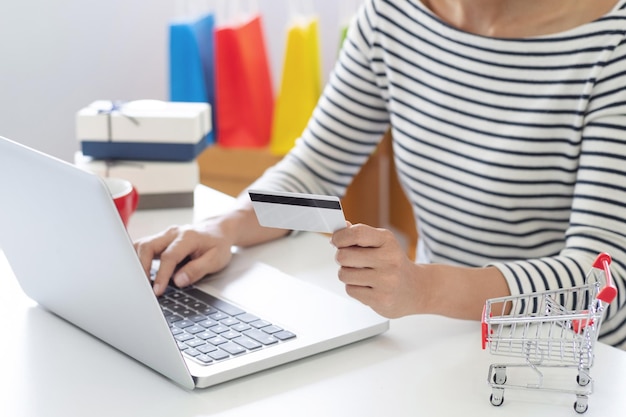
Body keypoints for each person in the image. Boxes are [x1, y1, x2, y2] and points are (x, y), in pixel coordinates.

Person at [135, 0, 626, 349]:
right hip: (445, 338)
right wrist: (223, 227)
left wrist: (425, 287)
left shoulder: (612, 46)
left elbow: (603, 277)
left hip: (574, 360)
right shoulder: (393, 14)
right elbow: (314, 170)